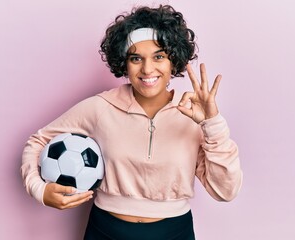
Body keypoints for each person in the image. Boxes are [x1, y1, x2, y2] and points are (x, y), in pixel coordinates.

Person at [21, 4, 243, 240]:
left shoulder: (193, 115)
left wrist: (213, 124)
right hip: (106, 230)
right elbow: (38, 141)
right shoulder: (100, 107)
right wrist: (39, 189)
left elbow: (225, 191)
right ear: (124, 63)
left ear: (173, 61)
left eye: (159, 56)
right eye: (136, 58)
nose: (147, 69)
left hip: (174, 232)